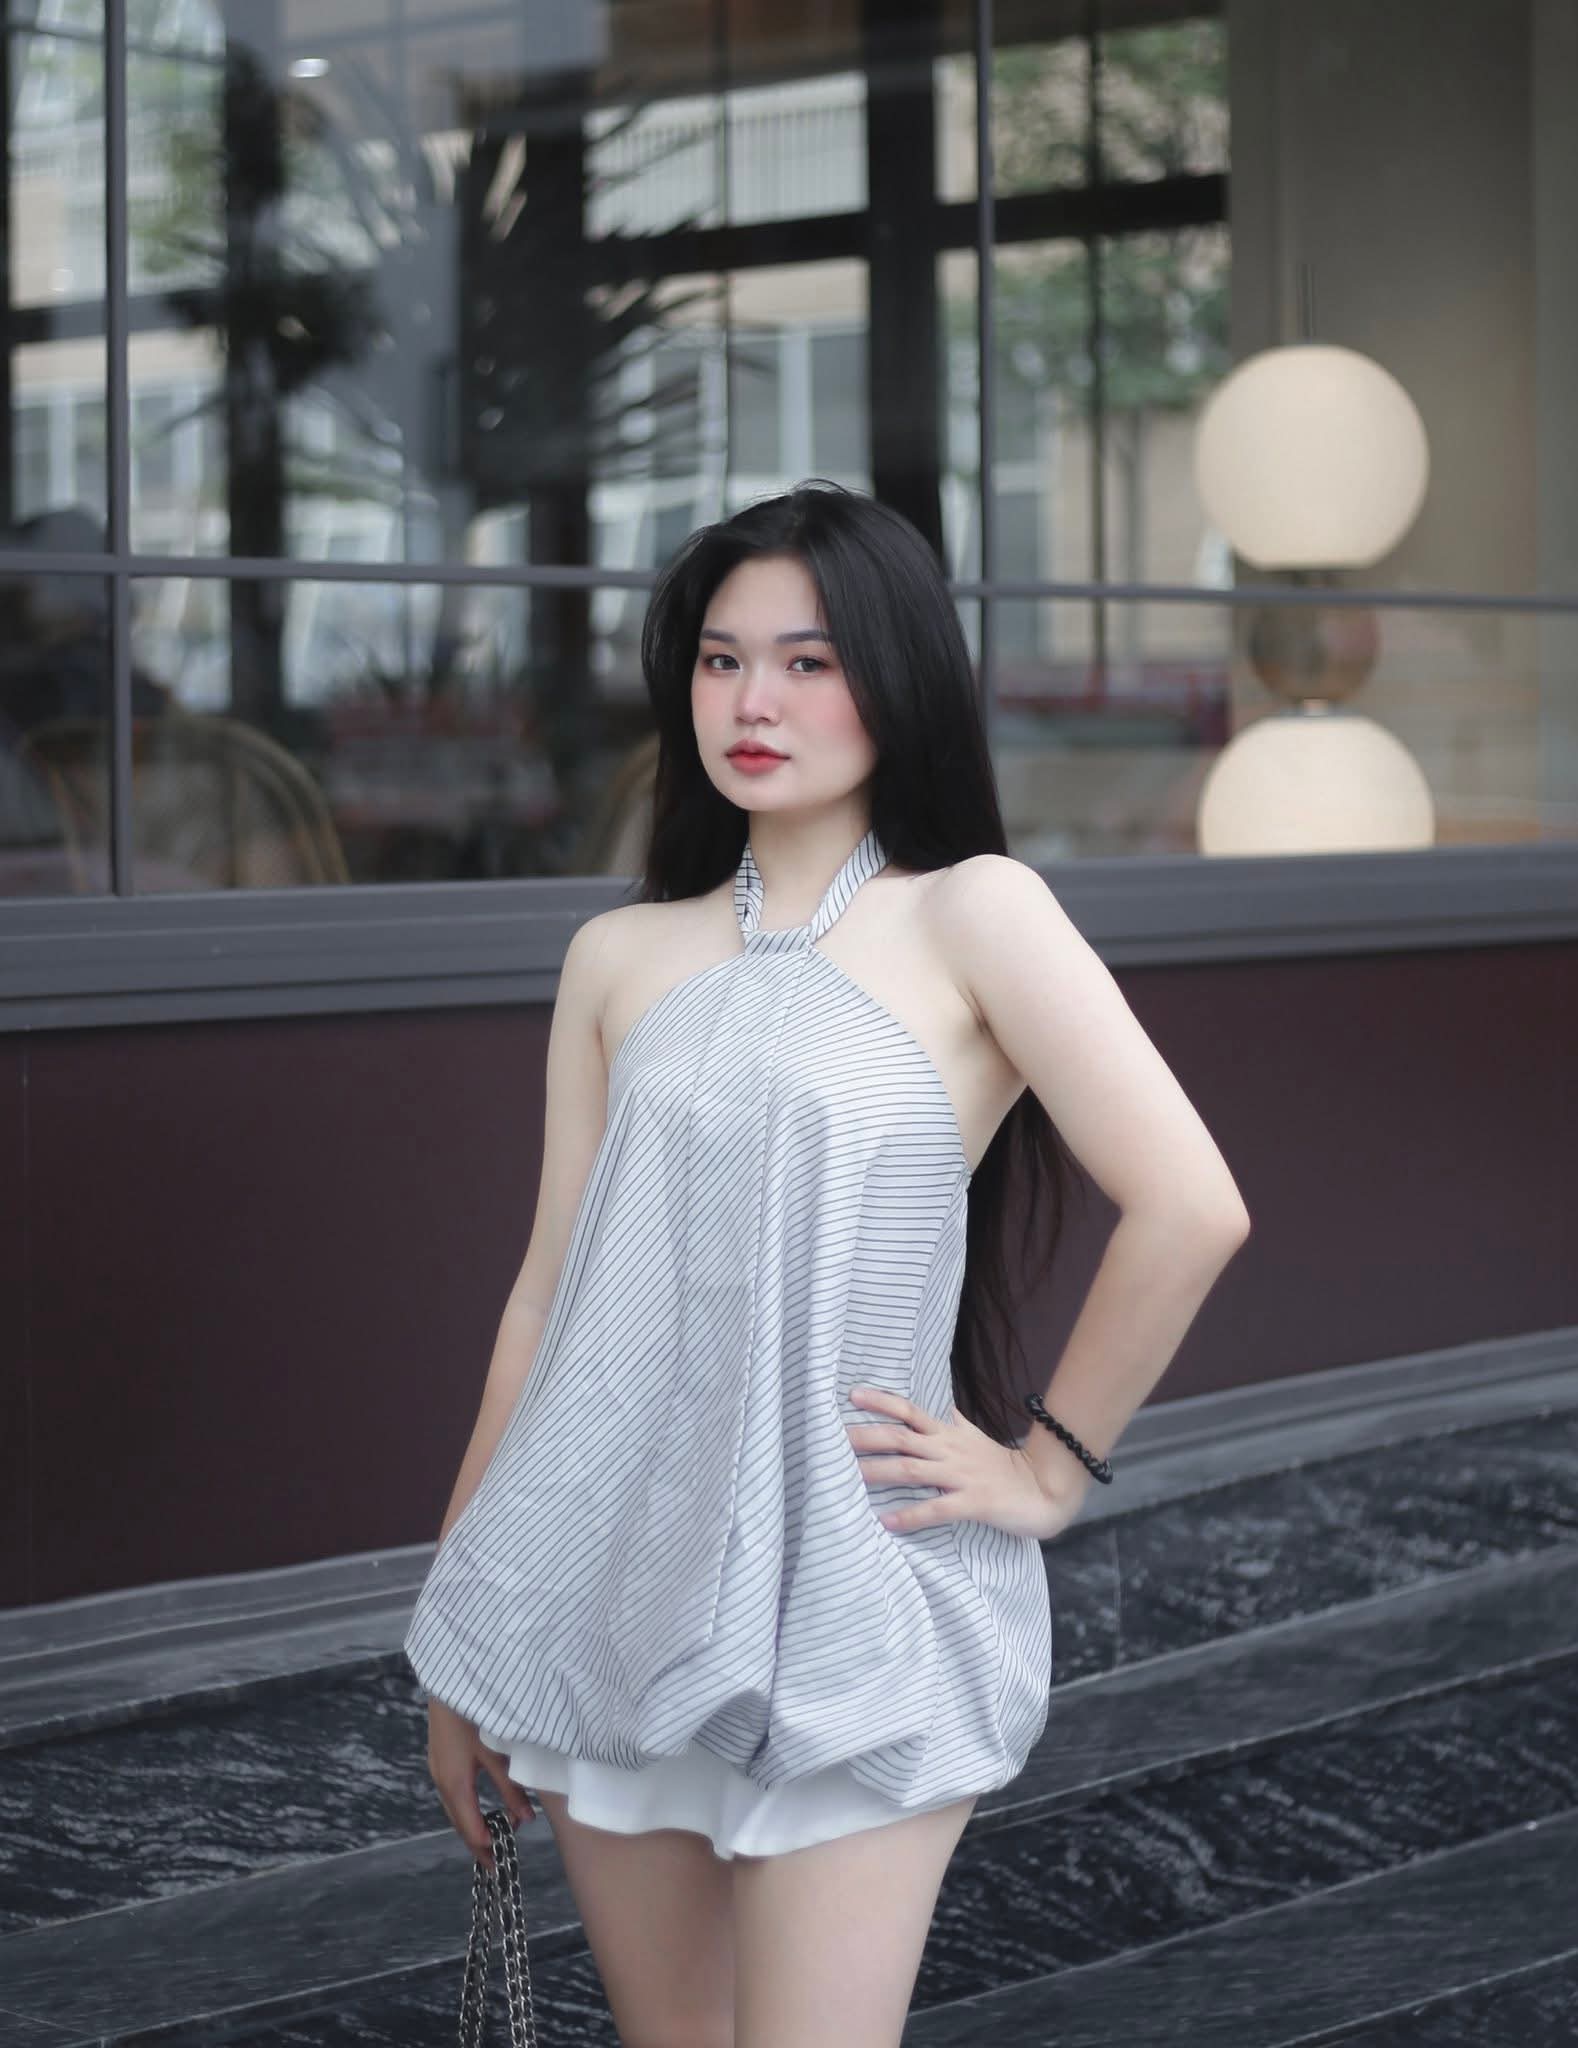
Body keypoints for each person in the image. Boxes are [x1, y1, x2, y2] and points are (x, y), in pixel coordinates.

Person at [404, 479, 1251, 2046]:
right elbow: (545, 1299)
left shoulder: (975, 914)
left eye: (807, 661)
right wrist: (465, 1627)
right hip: (605, 1586)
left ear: (895, 676)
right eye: (721, 661)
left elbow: (1191, 1203)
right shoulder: (619, 954)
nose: (753, 702)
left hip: (859, 1594)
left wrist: (1047, 1472)